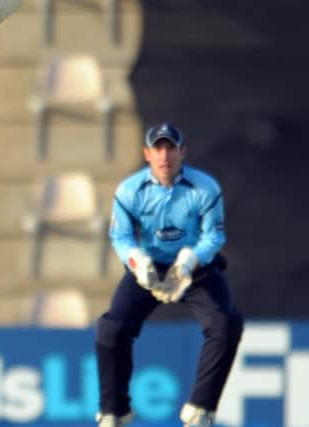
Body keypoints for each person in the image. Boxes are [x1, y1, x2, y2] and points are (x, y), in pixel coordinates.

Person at [94, 123, 244, 427]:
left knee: (225, 323)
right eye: (158, 149)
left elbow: (213, 238)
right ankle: (114, 411)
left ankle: (201, 408)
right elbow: (121, 237)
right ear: (146, 154)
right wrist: (137, 261)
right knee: (111, 329)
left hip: (195, 269)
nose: (165, 156)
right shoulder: (128, 190)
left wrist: (189, 261)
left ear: (182, 152)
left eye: (171, 148)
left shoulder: (205, 189)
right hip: (149, 269)